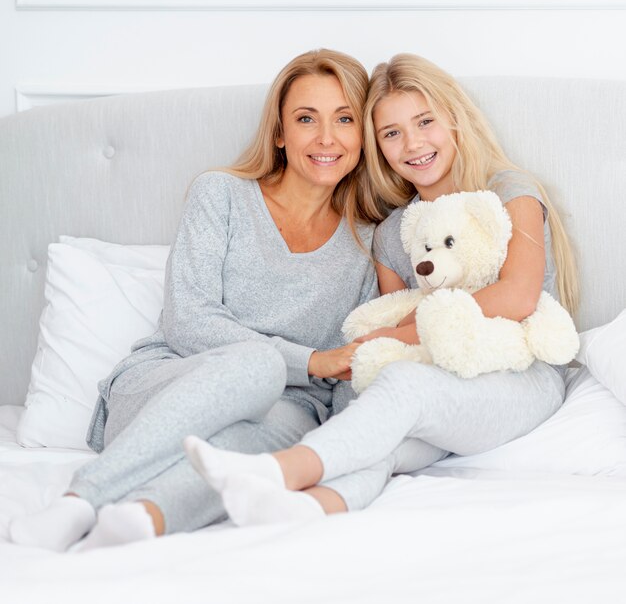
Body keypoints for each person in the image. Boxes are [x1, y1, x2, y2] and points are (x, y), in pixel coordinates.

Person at [9, 48, 383, 551]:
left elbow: (353, 363)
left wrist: (357, 440)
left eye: (344, 119)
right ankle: (81, 499)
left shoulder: (368, 241)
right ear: (279, 132)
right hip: (167, 387)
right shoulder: (222, 195)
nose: (326, 138)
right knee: (256, 366)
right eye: (305, 119)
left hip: (289, 409)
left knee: (252, 453)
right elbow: (189, 321)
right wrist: (311, 360)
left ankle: (143, 519)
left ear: (363, 133)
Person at [183, 53, 580, 526]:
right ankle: (306, 507)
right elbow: (390, 313)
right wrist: (369, 363)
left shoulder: (508, 192)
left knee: (403, 386)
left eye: (425, 122)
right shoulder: (392, 234)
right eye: (391, 133)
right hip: (439, 379)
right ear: (376, 146)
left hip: (521, 375)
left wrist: (396, 337)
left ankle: (275, 472)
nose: (412, 144)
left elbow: (517, 297)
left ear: (455, 120)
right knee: (379, 438)